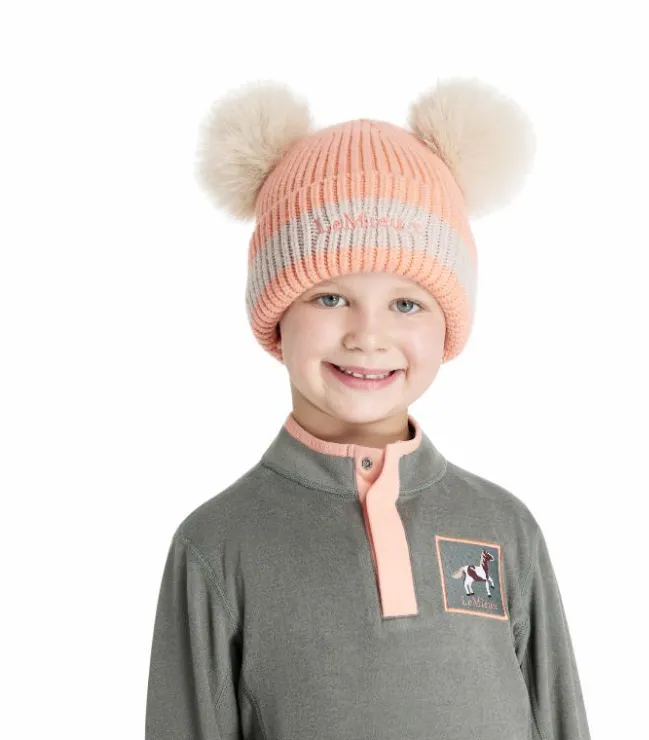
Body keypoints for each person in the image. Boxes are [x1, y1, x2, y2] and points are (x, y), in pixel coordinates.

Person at [144, 76, 592, 740]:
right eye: (330, 297)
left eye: (406, 303)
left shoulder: (504, 528)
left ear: (448, 326)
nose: (368, 335)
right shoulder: (216, 546)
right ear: (276, 315)